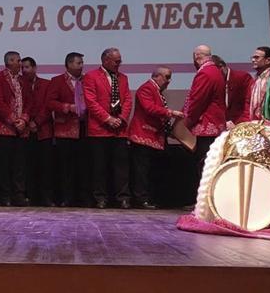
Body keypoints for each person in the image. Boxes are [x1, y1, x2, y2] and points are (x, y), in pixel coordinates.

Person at [82, 47, 133, 209]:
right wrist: (108, 119)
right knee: (99, 167)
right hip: (99, 129)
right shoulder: (91, 76)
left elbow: (128, 100)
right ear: (105, 60)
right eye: (116, 61)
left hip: (120, 130)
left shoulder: (123, 78)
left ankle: (122, 198)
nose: (119, 64)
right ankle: (100, 198)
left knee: (121, 167)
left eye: (120, 60)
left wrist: (121, 118)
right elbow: (91, 102)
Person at [128, 67, 184, 209]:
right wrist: (171, 112)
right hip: (143, 135)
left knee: (150, 170)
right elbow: (149, 108)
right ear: (156, 76)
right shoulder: (146, 89)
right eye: (167, 77)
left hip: (154, 136)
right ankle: (141, 199)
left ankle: (149, 198)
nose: (169, 81)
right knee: (142, 170)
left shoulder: (157, 91)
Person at [183, 44, 226, 199]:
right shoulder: (215, 71)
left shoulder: (205, 73)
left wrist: (187, 122)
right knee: (211, 163)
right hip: (216, 124)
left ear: (197, 57)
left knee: (205, 165)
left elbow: (197, 101)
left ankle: (206, 201)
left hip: (207, 124)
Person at [45, 52, 87, 207]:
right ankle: (66, 198)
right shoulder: (57, 81)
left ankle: (82, 198)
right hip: (65, 128)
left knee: (83, 165)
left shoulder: (86, 80)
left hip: (84, 127)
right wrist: (68, 107)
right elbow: (50, 102)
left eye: (82, 63)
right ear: (69, 64)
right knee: (66, 167)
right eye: (79, 63)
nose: (82, 66)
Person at [0, 51, 32, 206]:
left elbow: (30, 101)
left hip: (22, 129)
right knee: (5, 163)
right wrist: (14, 120)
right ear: (9, 62)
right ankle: (5, 195)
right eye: (18, 60)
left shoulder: (23, 80)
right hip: (5, 128)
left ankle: (19, 195)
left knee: (20, 164)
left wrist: (24, 119)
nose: (21, 63)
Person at [22, 56, 53, 206]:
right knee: (28, 165)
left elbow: (48, 106)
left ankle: (46, 197)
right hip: (25, 131)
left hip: (44, 130)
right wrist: (27, 122)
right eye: (22, 68)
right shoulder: (19, 84)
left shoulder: (47, 84)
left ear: (34, 68)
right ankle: (30, 196)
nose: (24, 70)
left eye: (27, 67)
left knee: (46, 166)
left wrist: (37, 122)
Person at [212, 55, 253, 127]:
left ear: (221, 66)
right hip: (222, 126)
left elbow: (249, 103)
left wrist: (240, 124)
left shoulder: (243, 77)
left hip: (241, 124)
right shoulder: (212, 81)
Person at [246, 46, 270, 121]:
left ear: (268, 60)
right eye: (252, 57)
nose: (253, 60)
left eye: (257, 57)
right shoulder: (256, 79)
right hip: (256, 123)